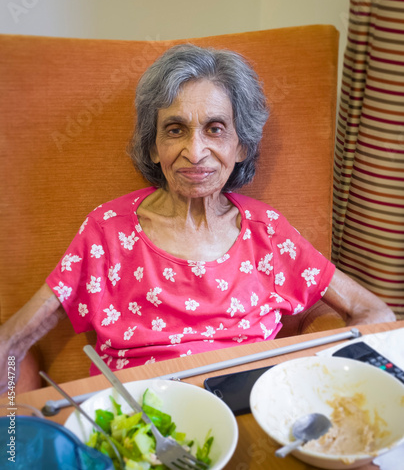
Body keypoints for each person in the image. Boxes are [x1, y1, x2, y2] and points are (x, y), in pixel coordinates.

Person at [0, 44, 395, 394]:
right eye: (175, 130)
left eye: (215, 129)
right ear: (153, 147)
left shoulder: (268, 232)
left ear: (240, 145)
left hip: (249, 408)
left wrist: (317, 380)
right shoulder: (108, 229)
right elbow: (15, 339)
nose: (195, 150)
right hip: (140, 414)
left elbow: (375, 312)